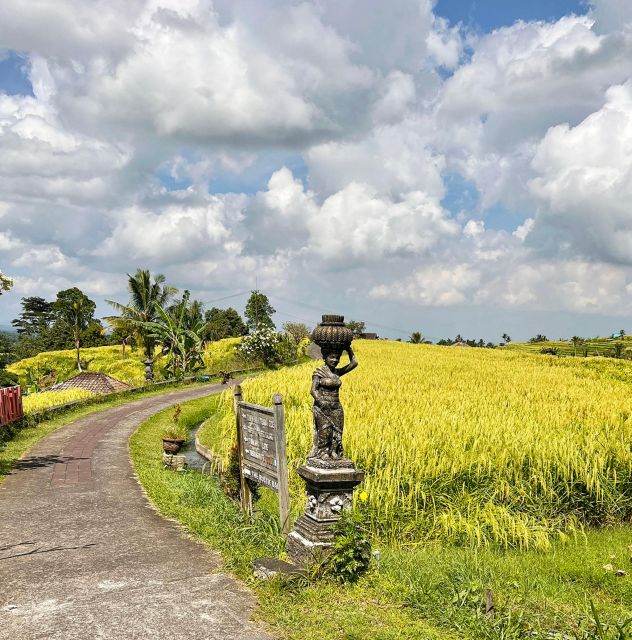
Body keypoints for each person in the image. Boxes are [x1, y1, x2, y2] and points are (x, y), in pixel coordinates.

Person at [309, 345, 357, 461]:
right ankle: (323, 452)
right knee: (325, 430)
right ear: (325, 358)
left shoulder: (337, 372)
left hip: (336, 407)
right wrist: (321, 402)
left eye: (337, 358)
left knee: (337, 431)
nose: (335, 360)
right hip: (322, 407)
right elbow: (313, 390)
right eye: (332, 357)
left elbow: (354, 363)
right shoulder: (319, 372)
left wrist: (348, 349)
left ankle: (335, 452)